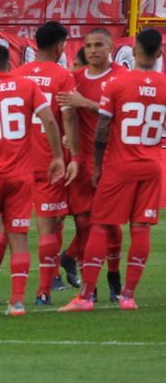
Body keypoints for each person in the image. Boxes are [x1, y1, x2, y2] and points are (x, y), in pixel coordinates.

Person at [59, 29, 166, 312]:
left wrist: (95, 164)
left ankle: (85, 297)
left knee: (101, 225)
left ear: (135, 52)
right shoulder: (164, 85)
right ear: (158, 54)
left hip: (119, 164)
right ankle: (128, 297)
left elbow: (103, 129)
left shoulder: (118, 83)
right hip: (153, 164)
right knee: (141, 228)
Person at [0, 45, 65, 316]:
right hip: (21, 175)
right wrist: (57, 157)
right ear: (9, 65)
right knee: (18, 238)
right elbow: (50, 120)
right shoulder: (26, 86)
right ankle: (17, 302)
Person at [9, 22, 80, 306]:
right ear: (60, 46)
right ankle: (43, 291)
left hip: (16, 162)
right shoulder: (63, 77)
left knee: (9, 228)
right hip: (50, 162)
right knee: (51, 227)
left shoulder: (15, 75)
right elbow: (68, 117)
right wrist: (70, 155)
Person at [57, 29, 127, 300]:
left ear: (110, 47)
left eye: (99, 45)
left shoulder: (122, 78)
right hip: (82, 161)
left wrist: (85, 103)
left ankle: (114, 276)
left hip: (112, 159)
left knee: (110, 223)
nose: (93, 50)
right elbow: (64, 112)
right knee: (85, 224)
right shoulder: (74, 79)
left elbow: (122, 114)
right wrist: (66, 134)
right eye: (88, 45)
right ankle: (91, 285)